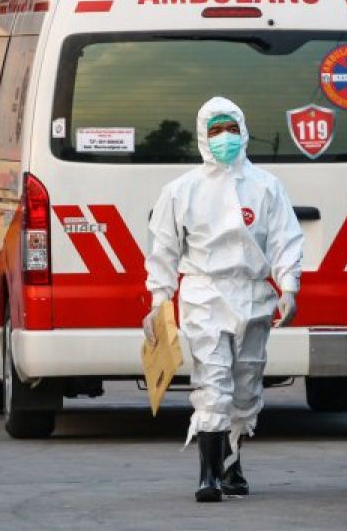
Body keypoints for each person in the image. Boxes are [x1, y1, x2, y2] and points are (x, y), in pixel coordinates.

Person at [142, 96, 304, 502]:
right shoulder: (182, 190)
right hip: (204, 293)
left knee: (246, 385)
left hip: (253, 294)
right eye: (215, 130)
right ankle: (208, 476)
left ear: (244, 129)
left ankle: (232, 467)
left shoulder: (266, 186)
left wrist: (290, 285)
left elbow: (286, 238)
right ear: (202, 135)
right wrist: (160, 300)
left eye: (230, 128)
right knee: (212, 381)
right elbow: (163, 249)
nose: (224, 138)